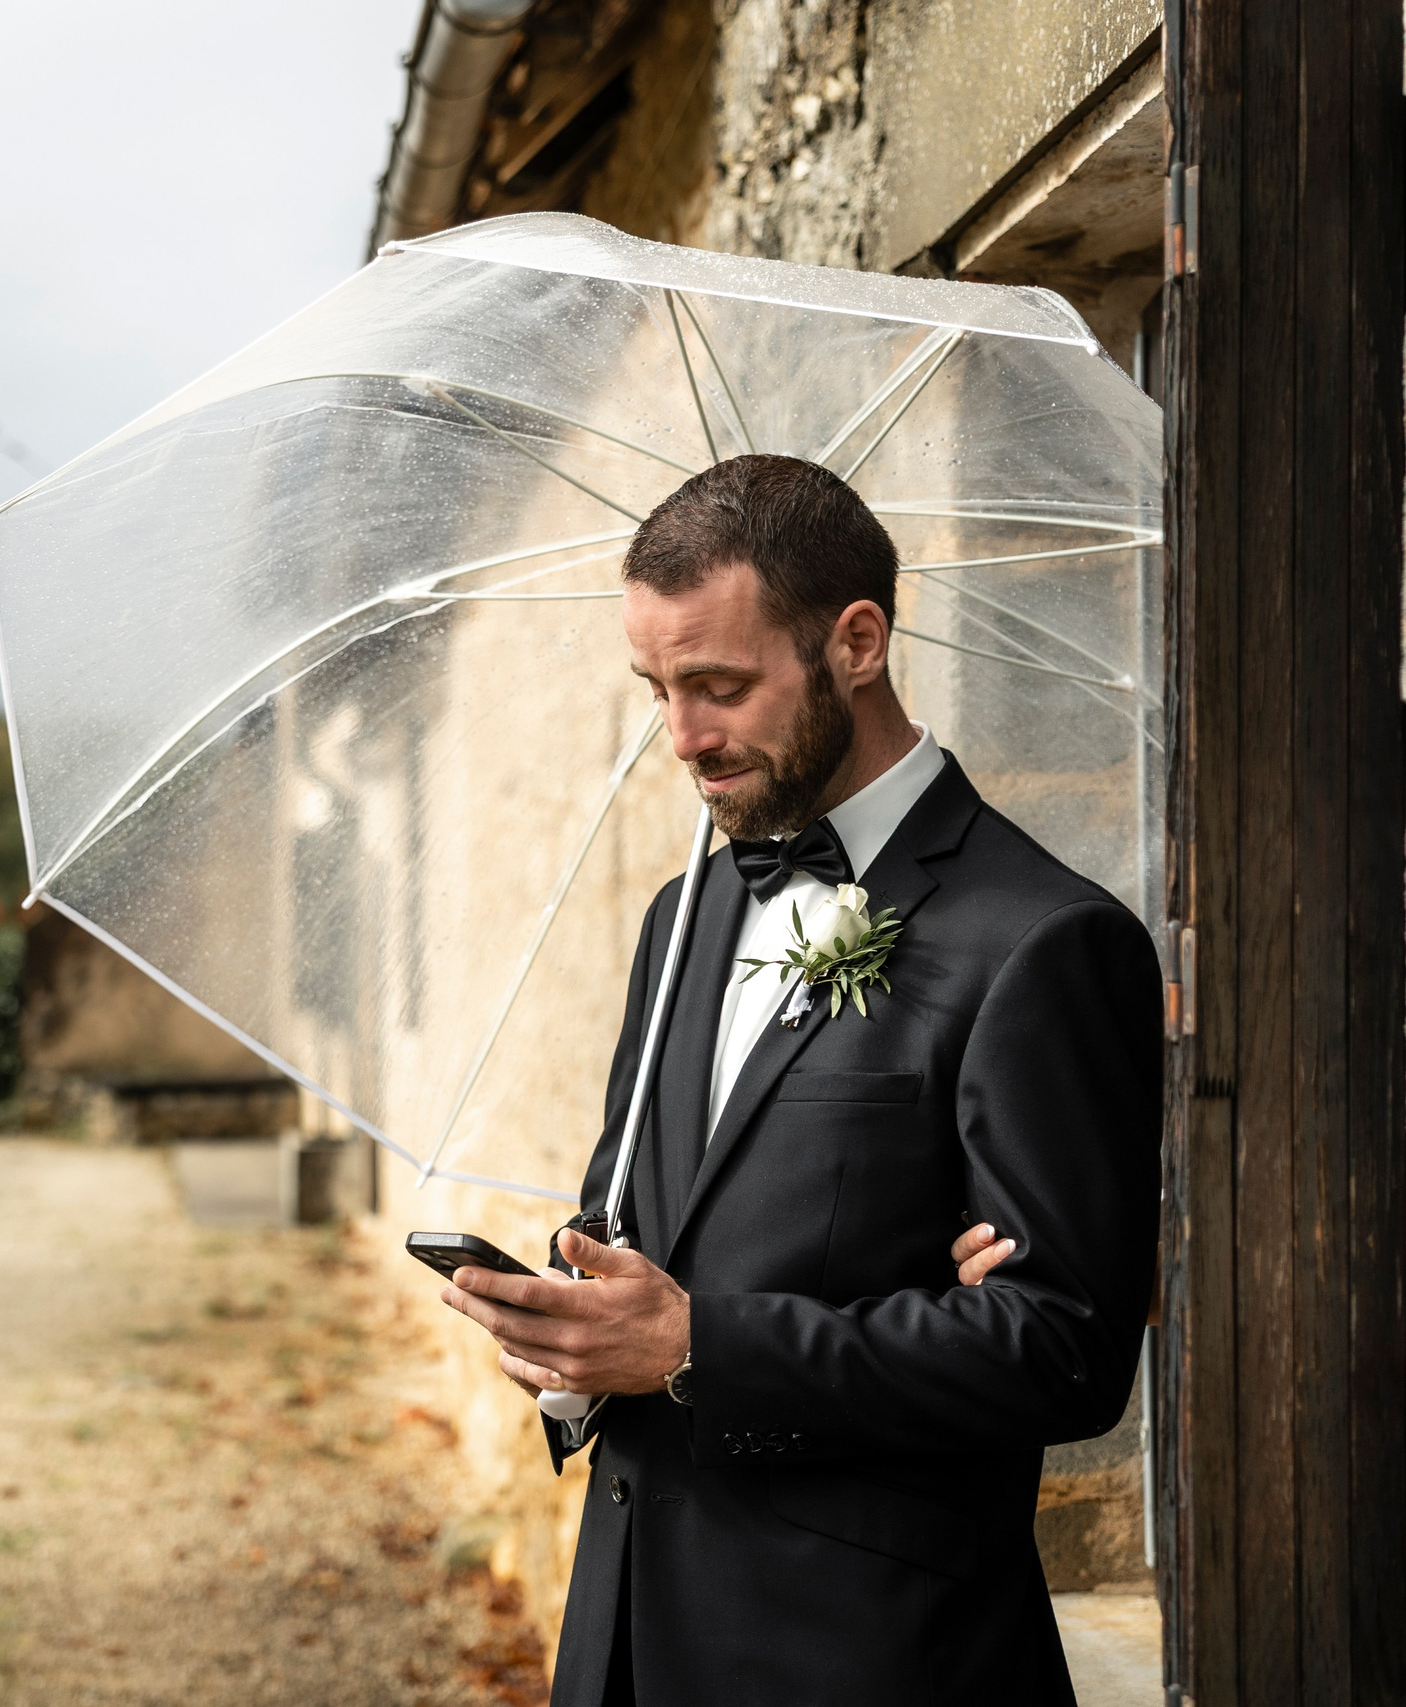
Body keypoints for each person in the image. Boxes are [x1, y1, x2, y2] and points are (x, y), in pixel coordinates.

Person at [436, 454, 1159, 1707]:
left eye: (718, 687)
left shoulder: (1042, 941)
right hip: (625, 1637)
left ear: (857, 642)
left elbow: (1060, 1352)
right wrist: (574, 1336)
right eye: (656, 690)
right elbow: (640, 1225)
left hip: (873, 1655)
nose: (682, 739)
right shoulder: (683, 917)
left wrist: (697, 1343)